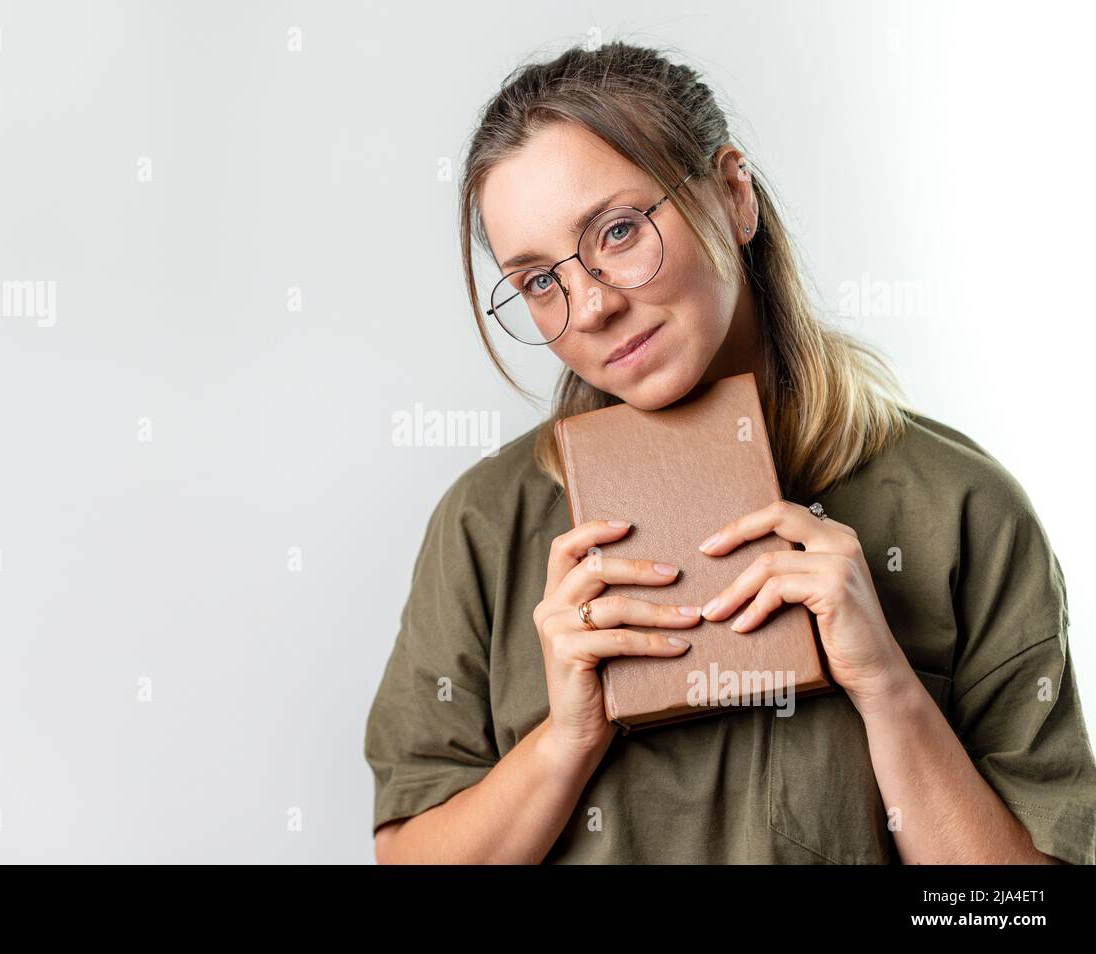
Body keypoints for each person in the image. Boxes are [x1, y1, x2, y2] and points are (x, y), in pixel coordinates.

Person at [363, 40, 1096, 864]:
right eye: (540, 281)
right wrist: (566, 740)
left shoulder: (962, 509)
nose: (593, 304)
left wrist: (889, 687)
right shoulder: (484, 523)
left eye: (618, 230)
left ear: (734, 194)